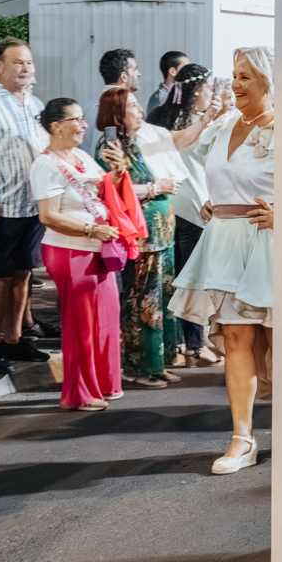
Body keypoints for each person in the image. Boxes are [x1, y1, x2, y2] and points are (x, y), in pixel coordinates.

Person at [169, 48, 278, 470]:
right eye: (234, 75)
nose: (235, 84)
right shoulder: (223, 125)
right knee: (235, 338)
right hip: (225, 243)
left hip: (270, 244)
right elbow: (212, 174)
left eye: (245, 76)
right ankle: (241, 440)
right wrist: (214, 202)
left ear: (268, 80)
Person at [32, 98, 123, 409]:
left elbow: (105, 190)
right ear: (57, 127)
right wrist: (90, 230)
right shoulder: (45, 165)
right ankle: (80, 393)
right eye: (77, 119)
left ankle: (104, 383)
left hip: (98, 247)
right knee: (81, 324)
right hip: (69, 250)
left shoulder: (81, 156)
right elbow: (48, 216)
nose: (84, 125)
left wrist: (118, 172)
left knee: (107, 316)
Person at [0, 38, 50, 378]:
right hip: (0, 204)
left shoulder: (35, 103)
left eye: (29, 62)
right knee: (0, 277)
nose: (26, 68)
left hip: (32, 203)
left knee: (24, 273)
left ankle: (15, 339)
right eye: (18, 63)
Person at [97, 85, 182, 388]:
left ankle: (160, 363)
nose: (139, 110)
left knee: (163, 296)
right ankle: (140, 366)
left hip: (161, 232)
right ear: (117, 113)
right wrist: (157, 188)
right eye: (132, 106)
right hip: (141, 235)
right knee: (143, 298)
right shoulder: (110, 147)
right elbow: (111, 188)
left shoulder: (134, 142)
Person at [145, 61, 218, 367]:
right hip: (195, 208)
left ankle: (171, 343)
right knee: (194, 279)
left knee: (169, 279)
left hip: (166, 206)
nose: (212, 94)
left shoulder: (157, 118)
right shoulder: (201, 124)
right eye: (210, 88)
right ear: (198, 90)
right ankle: (195, 343)